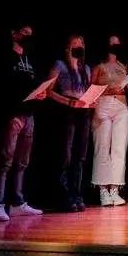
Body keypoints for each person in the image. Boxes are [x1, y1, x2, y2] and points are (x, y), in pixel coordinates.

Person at [0, 22, 45, 221]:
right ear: (13, 33)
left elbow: (32, 85)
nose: (27, 37)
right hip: (13, 115)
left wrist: (39, 94)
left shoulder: (28, 58)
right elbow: (1, 90)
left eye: (30, 34)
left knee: (22, 162)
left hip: (29, 114)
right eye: (24, 33)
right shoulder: (5, 57)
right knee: (5, 160)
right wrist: (10, 114)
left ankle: (17, 202)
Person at [47, 34, 93, 212]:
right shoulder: (60, 65)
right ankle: (65, 196)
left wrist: (91, 100)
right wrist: (67, 101)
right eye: (75, 44)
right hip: (68, 112)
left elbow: (87, 90)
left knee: (80, 157)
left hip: (84, 112)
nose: (78, 46)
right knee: (65, 156)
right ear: (68, 47)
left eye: (81, 44)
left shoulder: (86, 68)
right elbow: (49, 90)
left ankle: (77, 195)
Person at [91, 35, 128, 207]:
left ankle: (115, 190)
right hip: (103, 106)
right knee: (102, 147)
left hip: (121, 106)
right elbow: (91, 90)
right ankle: (103, 190)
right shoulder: (99, 67)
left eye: (118, 43)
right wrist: (109, 90)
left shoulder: (122, 67)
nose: (115, 46)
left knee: (119, 148)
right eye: (112, 43)